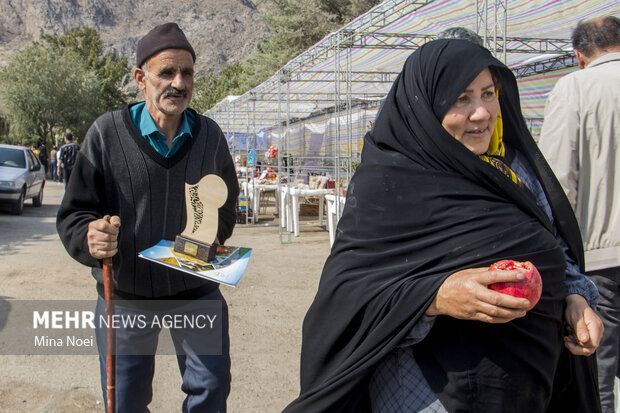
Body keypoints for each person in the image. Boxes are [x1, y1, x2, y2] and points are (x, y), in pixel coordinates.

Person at [283, 39, 603, 413]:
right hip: (428, 391)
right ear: (427, 107)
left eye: (488, 94)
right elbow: (350, 293)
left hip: (524, 389)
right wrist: (436, 297)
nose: (482, 113)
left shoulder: (513, 170)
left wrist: (575, 297)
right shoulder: (389, 184)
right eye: (461, 98)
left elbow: (554, 248)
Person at [57, 22, 239, 412]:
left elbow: (228, 203)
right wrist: (90, 237)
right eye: (167, 72)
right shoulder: (106, 134)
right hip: (125, 296)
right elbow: (75, 213)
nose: (179, 82)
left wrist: (210, 238)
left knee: (210, 391)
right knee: (125, 400)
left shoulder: (210, 136)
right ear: (141, 78)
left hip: (196, 293)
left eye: (187, 72)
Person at [539, 16, 620, 413]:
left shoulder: (574, 88)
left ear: (579, 56)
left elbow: (555, 181)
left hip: (599, 255)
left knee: (597, 369)